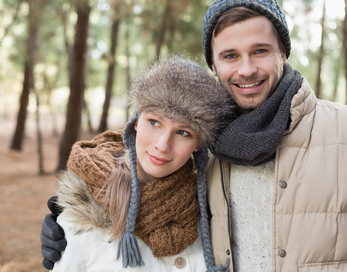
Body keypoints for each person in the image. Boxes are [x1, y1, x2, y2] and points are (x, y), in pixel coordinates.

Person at [41, 0, 347, 271]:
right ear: (214, 65)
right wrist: (73, 213)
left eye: (259, 50)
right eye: (230, 56)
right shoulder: (203, 146)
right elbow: (144, 174)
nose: (245, 69)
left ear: (283, 53)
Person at [44, 55, 235, 271]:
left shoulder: (212, 205)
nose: (163, 145)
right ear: (135, 122)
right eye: (154, 122)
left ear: (198, 144)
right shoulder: (83, 215)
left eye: (183, 132)